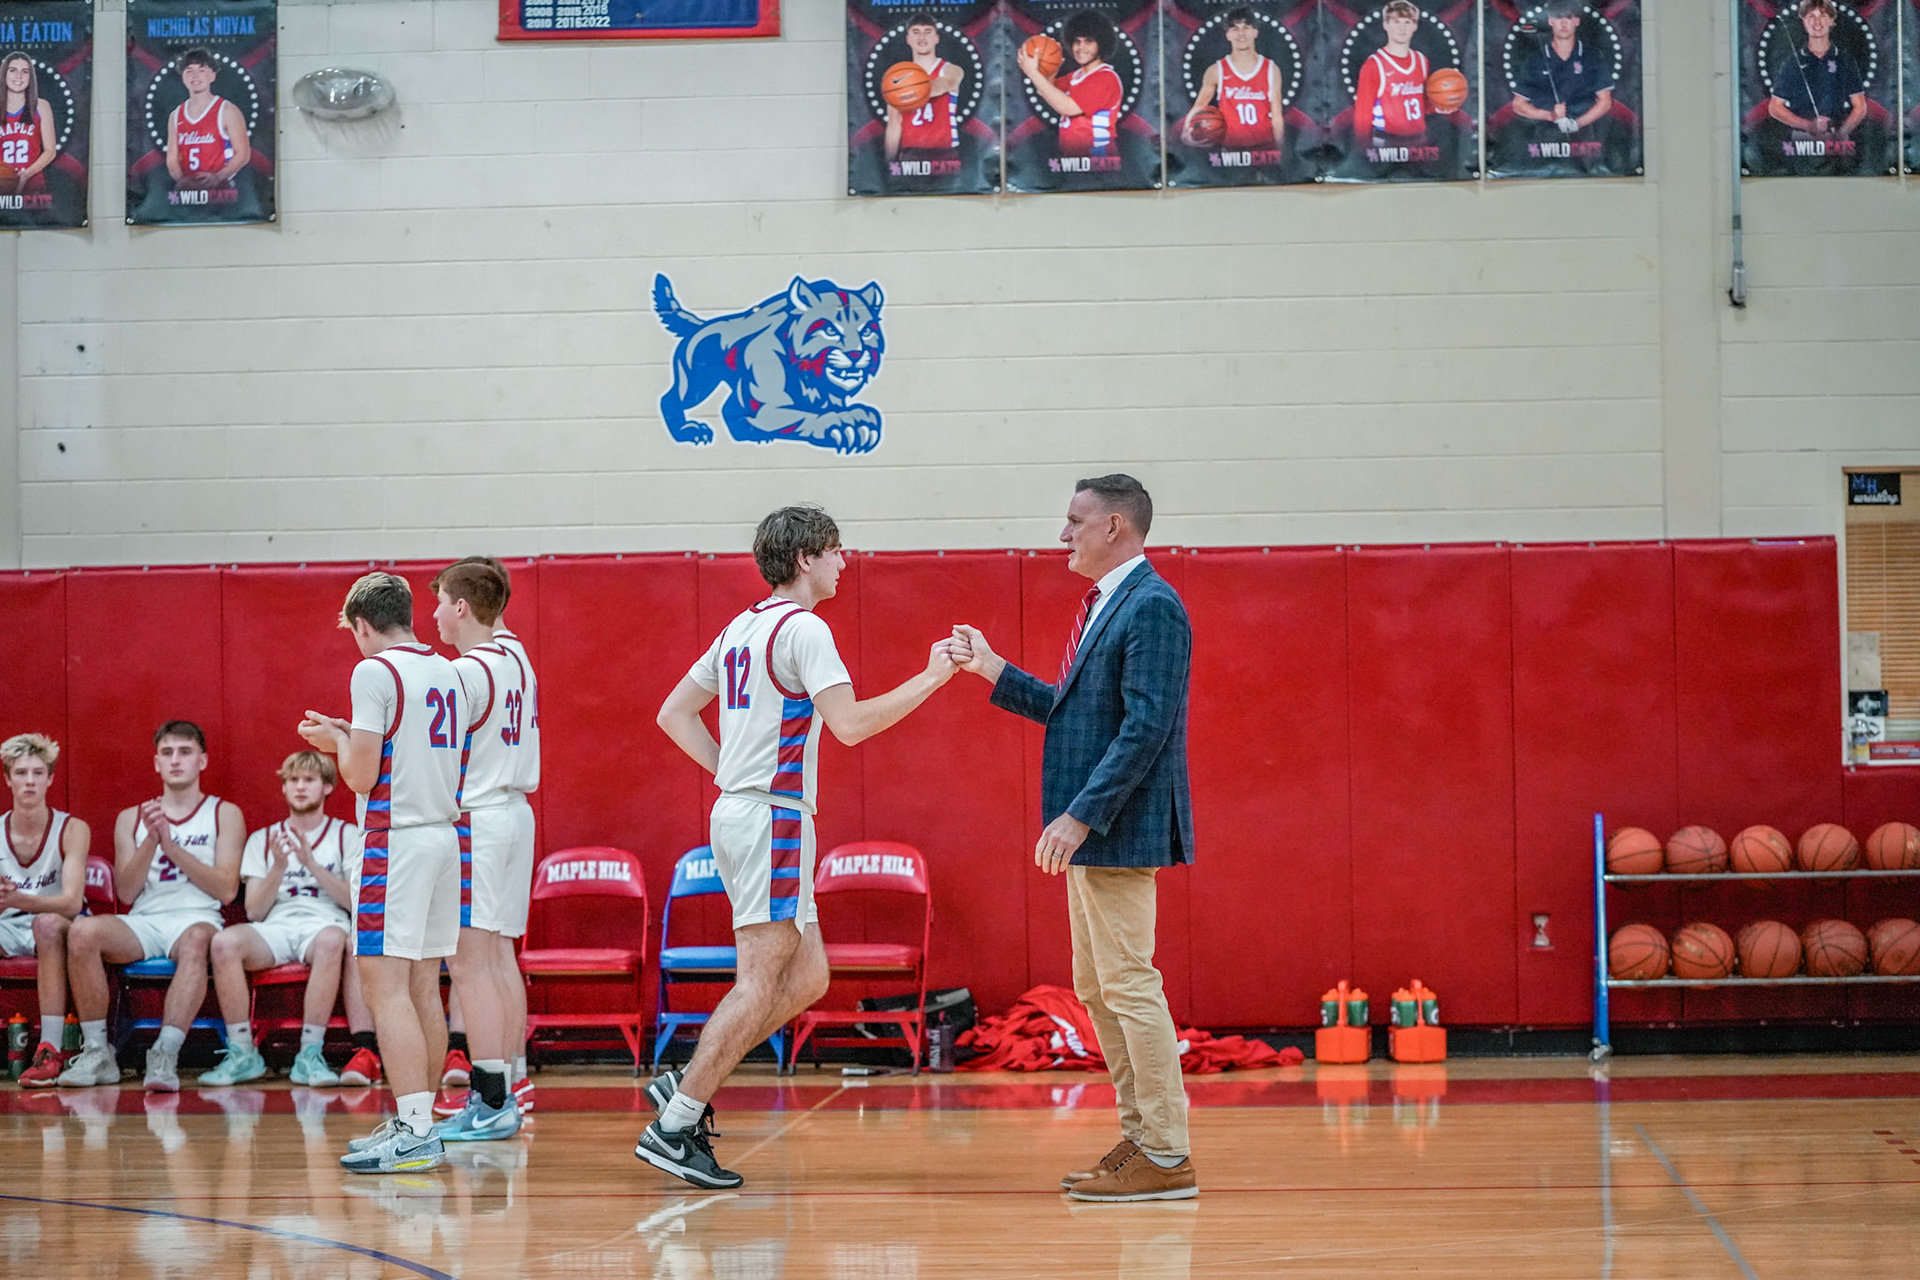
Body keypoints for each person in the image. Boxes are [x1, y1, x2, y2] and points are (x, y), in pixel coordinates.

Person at [644, 505, 964, 1189]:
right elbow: (850, 725)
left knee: (810, 976)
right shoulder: (804, 628)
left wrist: (732, 775)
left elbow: (674, 713)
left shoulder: (740, 627)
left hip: (742, 812)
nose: (845, 561)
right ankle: (676, 1124)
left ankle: (687, 1078)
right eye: (836, 550)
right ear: (805, 559)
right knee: (759, 981)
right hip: (771, 819)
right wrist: (932, 677)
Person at [953, 475, 1197, 1203]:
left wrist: (1081, 814)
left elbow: (1146, 728)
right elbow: (1076, 713)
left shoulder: (1152, 605)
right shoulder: (1111, 604)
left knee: (1129, 984)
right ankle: (1142, 1140)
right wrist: (994, 669)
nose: (1063, 534)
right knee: (1098, 987)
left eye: (1074, 522)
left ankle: (1167, 1152)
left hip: (1120, 828)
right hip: (1100, 830)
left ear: (1114, 526)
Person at [299, 571, 465, 1174]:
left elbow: (361, 777)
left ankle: (415, 1131)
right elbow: (409, 746)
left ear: (363, 625)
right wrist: (349, 736)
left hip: (394, 843)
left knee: (385, 988)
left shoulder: (373, 671)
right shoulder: (449, 670)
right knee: (422, 986)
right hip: (443, 837)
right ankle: (418, 1123)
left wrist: (335, 745)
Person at [57, 722, 245, 1091]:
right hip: (145, 920)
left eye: (185, 752)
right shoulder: (132, 818)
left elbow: (226, 890)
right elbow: (127, 892)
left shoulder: (224, 813)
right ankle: (98, 1052)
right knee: (81, 931)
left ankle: (164, 1052)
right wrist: (151, 842)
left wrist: (172, 847)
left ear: (202, 761)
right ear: (156, 762)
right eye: (167, 753)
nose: (176, 760)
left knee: (197, 941)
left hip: (197, 918)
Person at [426, 559, 534, 1142]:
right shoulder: (515, 655)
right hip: (515, 814)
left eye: (442, 601)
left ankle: (491, 1098)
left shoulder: (463, 673)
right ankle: (511, 1083)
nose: (435, 613)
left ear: (462, 607)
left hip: (479, 817)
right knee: (498, 958)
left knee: (468, 964)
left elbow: (429, 753)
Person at [198, 752, 366, 1088]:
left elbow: (354, 903)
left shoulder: (346, 835)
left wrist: (311, 863)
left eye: (309, 780)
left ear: (327, 787)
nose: (300, 787)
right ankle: (243, 1053)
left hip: (325, 922)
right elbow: (255, 911)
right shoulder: (263, 839)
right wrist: (278, 867)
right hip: (276, 925)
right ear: (284, 788)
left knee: (333, 940)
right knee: (224, 943)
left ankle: (310, 1055)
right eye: (293, 780)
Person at [1, 733, 91, 1087]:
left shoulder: (72, 828)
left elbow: (71, 903)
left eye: (38, 773)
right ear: (7, 779)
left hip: (60, 924)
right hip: (10, 923)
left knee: (47, 926)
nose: (30, 781)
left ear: (50, 779)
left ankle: (49, 1050)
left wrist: (20, 900)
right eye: (21, 773)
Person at [1018, 11, 1125, 158]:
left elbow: (1067, 108)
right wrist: (1052, 69)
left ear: (1101, 44)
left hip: (1098, 160)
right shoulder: (1076, 76)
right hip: (1074, 160)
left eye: (1088, 42)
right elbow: (1046, 91)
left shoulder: (1105, 78)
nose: (1081, 47)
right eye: (1077, 41)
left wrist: (1033, 73)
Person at [1510, 0, 1614, 135]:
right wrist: (1550, 115)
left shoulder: (1592, 56)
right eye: (1558, 17)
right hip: (1544, 136)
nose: (1564, 23)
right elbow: (1518, 105)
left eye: (1569, 17)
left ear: (1577, 21)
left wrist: (1577, 124)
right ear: (1550, 21)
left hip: (1585, 137)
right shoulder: (1535, 59)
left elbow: (1605, 101)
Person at [1767, 0, 1866, 141]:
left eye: (1823, 16)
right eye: (1811, 16)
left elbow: (1860, 106)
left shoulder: (1845, 60)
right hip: (1802, 141)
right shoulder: (1792, 63)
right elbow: (1775, 107)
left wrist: (1842, 132)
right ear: (1803, 21)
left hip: (1837, 140)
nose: (1817, 22)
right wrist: (1808, 126)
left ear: (1831, 20)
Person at [1185, 9, 1284, 152]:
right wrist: (1186, 132)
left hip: (1264, 148)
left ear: (1255, 32)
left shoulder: (1271, 69)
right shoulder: (1216, 70)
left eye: (1246, 28)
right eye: (1235, 29)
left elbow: (1277, 116)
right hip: (1230, 151)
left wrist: (1281, 150)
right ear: (1228, 35)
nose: (1241, 34)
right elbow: (1199, 106)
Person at [165, 47, 251, 191]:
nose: (195, 76)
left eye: (202, 70)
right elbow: (172, 160)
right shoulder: (175, 115)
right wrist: (183, 180)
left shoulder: (227, 110)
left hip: (221, 192)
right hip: (188, 195)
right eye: (189, 71)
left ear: (212, 76)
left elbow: (243, 154)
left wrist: (218, 177)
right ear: (183, 78)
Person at [886, 13, 965, 161]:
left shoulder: (950, 70)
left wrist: (908, 91)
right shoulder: (897, 77)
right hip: (909, 155)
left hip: (945, 154)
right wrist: (889, 163)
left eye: (928, 32)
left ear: (937, 38)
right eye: (916, 32)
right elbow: (894, 126)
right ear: (908, 39)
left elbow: (945, 84)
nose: (922, 37)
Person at [1354, 1, 1430, 147]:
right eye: (1396, 22)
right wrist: (1363, 148)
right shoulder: (1374, 65)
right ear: (1385, 25)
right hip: (1386, 141)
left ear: (1415, 26)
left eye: (1407, 22)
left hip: (1418, 141)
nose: (1402, 28)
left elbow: (1424, 103)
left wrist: (1442, 103)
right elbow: (1363, 114)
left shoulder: (1422, 60)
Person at [0, 52, 58, 195]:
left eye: (25, 71)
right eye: (13, 70)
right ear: (4, 74)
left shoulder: (41, 106)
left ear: (30, 77)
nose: (18, 76)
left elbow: (50, 151)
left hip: (34, 188)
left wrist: (26, 174)